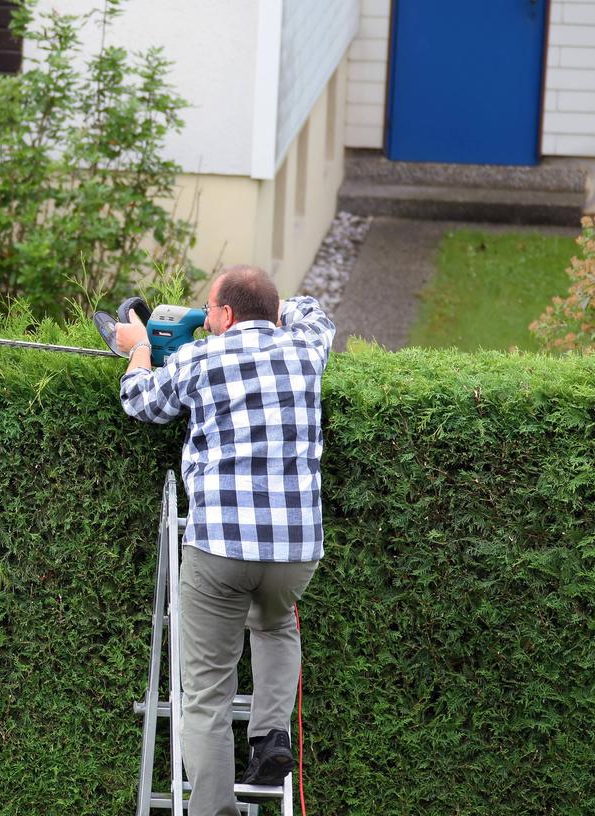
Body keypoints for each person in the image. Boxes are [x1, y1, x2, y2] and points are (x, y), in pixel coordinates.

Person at [114, 265, 334, 816]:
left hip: (219, 549)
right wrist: (268, 310)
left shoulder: (198, 359)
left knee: (207, 695)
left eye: (210, 312)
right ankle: (269, 738)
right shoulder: (306, 348)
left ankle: (216, 811)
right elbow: (314, 311)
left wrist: (139, 346)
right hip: (295, 551)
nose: (205, 321)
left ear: (228, 314)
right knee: (276, 624)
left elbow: (141, 402)